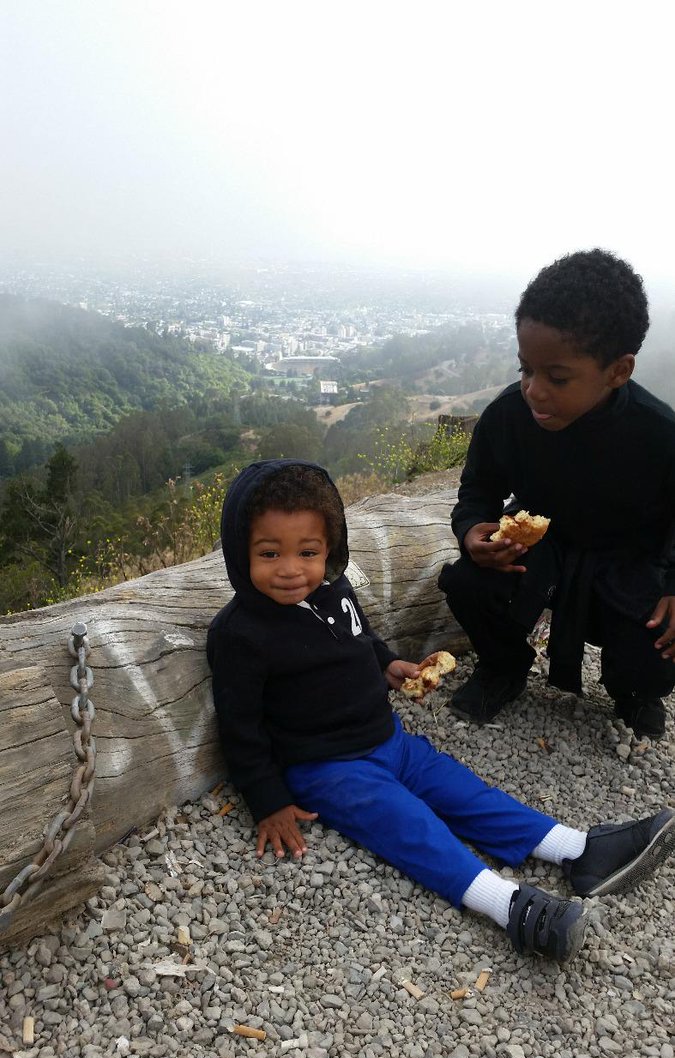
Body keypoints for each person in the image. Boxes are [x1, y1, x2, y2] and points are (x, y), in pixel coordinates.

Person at [206, 459, 675, 966]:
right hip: (327, 769)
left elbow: (361, 641)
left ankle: (577, 850)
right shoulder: (241, 634)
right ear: (239, 552)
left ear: (330, 550)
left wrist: (389, 666)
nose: (291, 568)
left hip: (389, 740)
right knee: (410, 826)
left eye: (308, 552)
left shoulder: (333, 591)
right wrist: (269, 801)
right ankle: (511, 908)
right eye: (269, 553)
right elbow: (241, 727)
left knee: (466, 792)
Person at [439, 249, 675, 738]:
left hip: (627, 561)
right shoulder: (509, 416)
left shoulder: (659, 435)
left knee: (658, 650)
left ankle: (634, 689)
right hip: (540, 552)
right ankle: (503, 667)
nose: (533, 390)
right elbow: (479, 489)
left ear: (618, 371)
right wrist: (471, 532)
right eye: (526, 368)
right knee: (467, 583)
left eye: (557, 377)